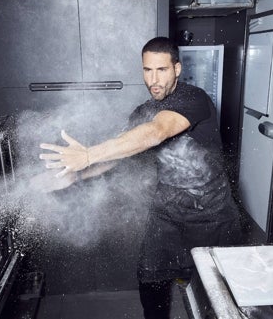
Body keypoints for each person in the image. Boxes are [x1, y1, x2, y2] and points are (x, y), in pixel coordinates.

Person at [36, 37, 242, 319]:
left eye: (162, 70)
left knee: (219, 297)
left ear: (177, 69)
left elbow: (157, 131)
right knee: (150, 280)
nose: (154, 79)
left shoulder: (193, 99)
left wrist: (87, 155)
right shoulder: (142, 112)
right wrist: (77, 174)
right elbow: (120, 152)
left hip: (212, 215)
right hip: (166, 213)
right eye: (147, 70)